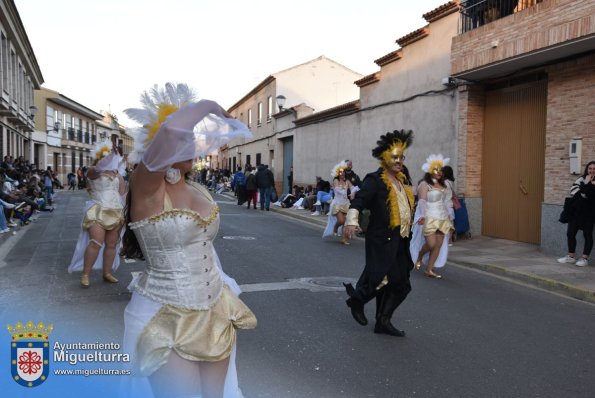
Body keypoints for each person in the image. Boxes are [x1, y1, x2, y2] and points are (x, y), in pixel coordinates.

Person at [120, 83, 256, 398]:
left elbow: (204, 248)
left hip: (215, 312)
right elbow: (169, 132)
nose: (190, 142)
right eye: (184, 138)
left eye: (191, 138)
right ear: (159, 149)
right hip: (165, 317)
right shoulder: (146, 188)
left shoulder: (199, 189)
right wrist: (207, 104)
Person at [342, 130, 415, 337]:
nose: (399, 161)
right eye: (395, 157)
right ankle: (358, 300)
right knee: (381, 277)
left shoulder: (403, 180)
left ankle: (382, 321)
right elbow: (359, 200)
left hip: (401, 239)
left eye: (402, 157)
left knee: (401, 284)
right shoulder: (375, 180)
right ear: (384, 157)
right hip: (381, 239)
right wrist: (351, 220)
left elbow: (406, 206)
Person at [68, 140, 126, 287]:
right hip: (97, 210)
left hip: (116, 211)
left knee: (112, 245)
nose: (114, 158)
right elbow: (97, 170)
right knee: (95, 242)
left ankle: (107, 273)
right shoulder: (94, 170)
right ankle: (85, 274)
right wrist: (109, 156)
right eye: (110, 156)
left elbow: (122, 194)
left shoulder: (118, 174)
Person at [410, 154, 454, 279]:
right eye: (436, 170)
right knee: (431, 244)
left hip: (442, 218)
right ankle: (419, 256)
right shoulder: (425, 184)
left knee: (438, 244)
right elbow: (422, 202)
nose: (439, 172)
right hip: (429, 218)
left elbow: (447, 202)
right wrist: (422, 216)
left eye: (440, 170)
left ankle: (429, 269)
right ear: (430, 171)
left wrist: (450, 218)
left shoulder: (445, 186)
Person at [557, 161, 595, 267]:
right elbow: (574, 192)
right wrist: (588, 185)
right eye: (590, 168)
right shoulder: (580, 179)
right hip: (576, 211)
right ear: (587, 169)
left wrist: (586, 187)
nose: (592, 170)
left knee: (587, 235)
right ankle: (571, 257)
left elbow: (590, 197)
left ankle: (584, 258)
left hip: (589, 213)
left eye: (594, 169)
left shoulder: (586, 181)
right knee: (570, 233)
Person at [323, 161, 357, 245]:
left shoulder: (347, 181)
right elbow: (337, 189)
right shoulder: (336, 180)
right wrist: (344, 193)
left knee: (345, 222)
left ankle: (344, 239)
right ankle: (335, 227)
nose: (342, 173)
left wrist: (352, 193)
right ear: (338, 173)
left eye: (343, 172)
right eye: (340, 172)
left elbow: (354, 188)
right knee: (341, 221)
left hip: (346, 204)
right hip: (337, 204)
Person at [442, 165, 457, 246]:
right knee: (450, 224)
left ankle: (447, 241)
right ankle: (449, 240)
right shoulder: (451, 182)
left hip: (445, 205)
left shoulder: (444, 183)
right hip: (450, 205)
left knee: (446, 224)